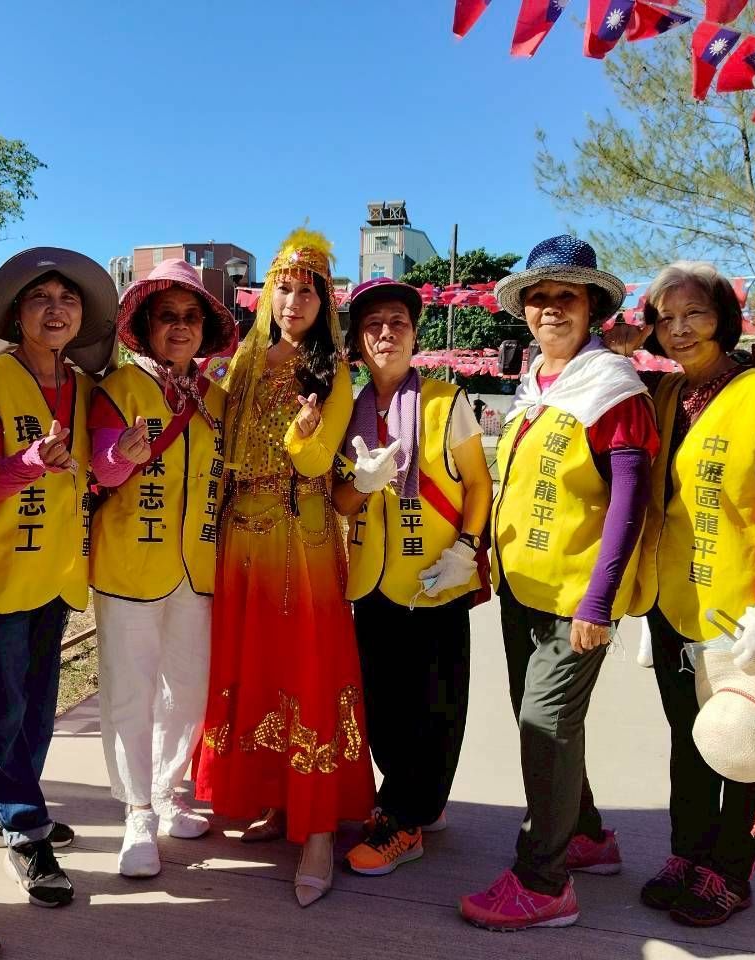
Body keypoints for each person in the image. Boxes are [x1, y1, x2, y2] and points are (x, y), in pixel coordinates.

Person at [459, 236, 659, 932]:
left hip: (576, 597)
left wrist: (599, 602)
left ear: (593, 307)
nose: (549, 309)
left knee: (544, 725)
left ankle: (543, 882)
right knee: (546, 724)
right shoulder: (539, 386)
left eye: (565, 298)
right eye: (539, 297)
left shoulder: (613, 390)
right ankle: (585, 835)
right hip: (525, 590)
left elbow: (630, 500)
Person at [627, 262, 755, 927]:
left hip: (741, 613)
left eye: (694, 314)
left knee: (743, 744)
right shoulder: (667, 397)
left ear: (724, 319)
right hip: (674, 601)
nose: (678, 330)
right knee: (688, 739)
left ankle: (729, 871)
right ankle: (687, 852)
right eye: (665, 317)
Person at [196, 227, 376, 907]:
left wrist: (303, 432)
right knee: (258, 669)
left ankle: (322, 829)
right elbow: (221, 429)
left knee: (308, 668)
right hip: (240, 540)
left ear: (324, 301)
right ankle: (278, 800)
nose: (294, 299)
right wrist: (195, 385)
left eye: (307, 290)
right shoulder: (243, 363)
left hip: (301, 540)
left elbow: (316, 461)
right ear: (267, 292)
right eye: (284, 286)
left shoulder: (331, 370)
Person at [0, 248, 116, 907]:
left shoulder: (82, 386)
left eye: (67, 300)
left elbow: (96, 466)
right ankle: (25, 830)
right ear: (17, 314)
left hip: (56, 569)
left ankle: (4, 809)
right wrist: (26, 461)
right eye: (41, 299)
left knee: (38, 705)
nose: (56, 310)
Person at [331, 277, 492, 876]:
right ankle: (412, 801)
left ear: (415, 334)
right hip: (372, 578)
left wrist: (468, 548)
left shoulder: (446, 401)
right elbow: (340, 502)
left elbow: (478, 482)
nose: (386, 333)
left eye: (398, 322)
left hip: (434, 574)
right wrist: (363, 484)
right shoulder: (346, 409)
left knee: (436, 704)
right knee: (383, 705)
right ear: (357, 341)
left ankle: (406, 819)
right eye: (373, 325)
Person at [87, 259, 234, 877]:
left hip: (197, 566)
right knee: (130, 691)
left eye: (190, 316)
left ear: (204, 328)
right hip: (129, 567)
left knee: (188, 691)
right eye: (167, 316)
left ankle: (170, 791)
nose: (179, 326)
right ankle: (137, 812)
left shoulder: (216, 399)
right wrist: (121, 455)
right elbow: (99, 468)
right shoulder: (117, 390)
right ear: (145, 325)